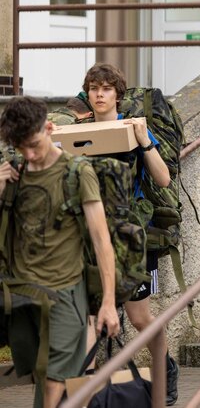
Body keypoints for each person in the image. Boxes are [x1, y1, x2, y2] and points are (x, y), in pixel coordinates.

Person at [0, 96, 121, 408]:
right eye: (21, 147)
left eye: (33, 145)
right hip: (21, 293)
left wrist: (108, 303)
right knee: (43, 375)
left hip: (65, 291)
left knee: (57, 376)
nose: (29, 154)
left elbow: (101, 240)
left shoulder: (77, 172)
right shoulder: (13, 173)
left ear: (50, 128)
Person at [81, 63, 179, 404]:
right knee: (89, 318)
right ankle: (86, 393)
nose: (99, 94)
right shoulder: (77, 132)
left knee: (139, 317)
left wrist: (144, 141)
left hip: (131, 237)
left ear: (117, 95)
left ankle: (165, 369)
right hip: (92, 237)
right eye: (94, 88)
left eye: (106, 88)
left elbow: (163, 179)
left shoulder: (132, 127)